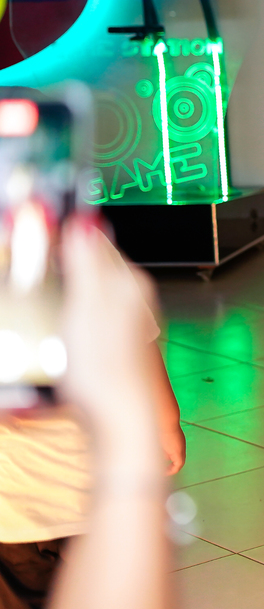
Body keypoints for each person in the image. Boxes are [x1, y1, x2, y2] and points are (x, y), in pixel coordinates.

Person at [0, 230, 184, 609]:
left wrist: (167, 421)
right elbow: (136, 335)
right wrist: (167, 421)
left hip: (23, 501)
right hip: (84, 491)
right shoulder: (82, 240)